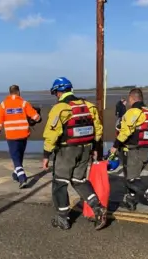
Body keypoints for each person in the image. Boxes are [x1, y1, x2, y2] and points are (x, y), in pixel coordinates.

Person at [42, 77, 108, 231]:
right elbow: (98, 130)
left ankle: (62, 218)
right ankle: (98, 209)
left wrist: (46, 155)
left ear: (58, 92)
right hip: (86, 148)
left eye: (55, 93)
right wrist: (96, 149)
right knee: (79, 180)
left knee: (60, 183)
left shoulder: (60, 109)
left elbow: (51, 134)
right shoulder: (89, 106)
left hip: (67, 150)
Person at [109, 88, 148, 218]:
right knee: (133, 176)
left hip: (134, 151)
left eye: (129, 100)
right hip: (147, 151)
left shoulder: (132, 113)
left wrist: (114, 146)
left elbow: (125, 132)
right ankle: (131, 201)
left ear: (131, 99)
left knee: (131, 179)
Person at [0, 84, 41, 189]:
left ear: (9, 93)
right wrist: (38, 118)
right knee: (19, 155)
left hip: (11, 135)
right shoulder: (24, 103)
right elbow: (36, 117)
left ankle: (22, 178)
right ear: (19, 92)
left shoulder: (3, 105)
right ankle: (16, 174)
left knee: (15, 157)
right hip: (23, 134)